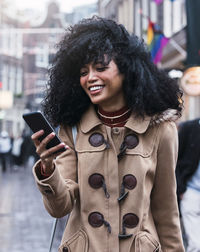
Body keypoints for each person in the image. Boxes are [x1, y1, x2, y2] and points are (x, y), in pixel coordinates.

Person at [31, 16, 185, 252]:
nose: (90, 77)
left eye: (101, 68)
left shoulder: (160, 129)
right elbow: (59, 207)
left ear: (127, 70)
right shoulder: (72, 128)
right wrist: (48, 169)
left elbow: (166, 210)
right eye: (83, 72)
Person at [176, 118, 200, 251]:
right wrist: (181, 189)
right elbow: (175, 159)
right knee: (196, 245)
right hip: (191, 191)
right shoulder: (189, 128)